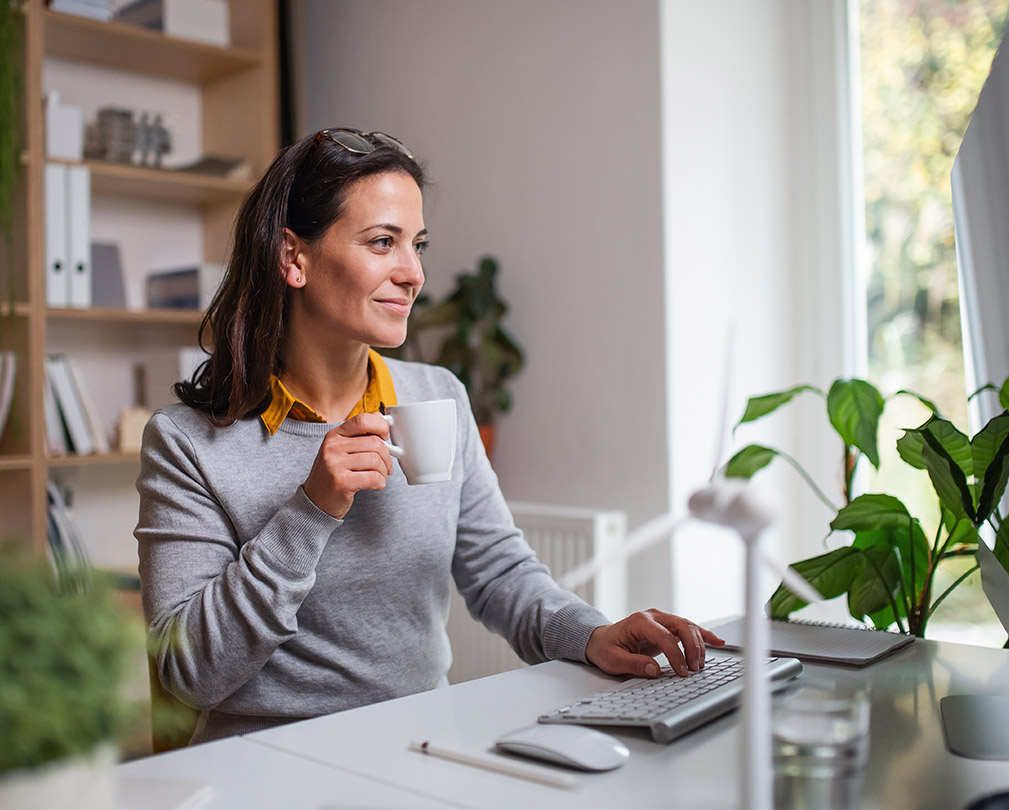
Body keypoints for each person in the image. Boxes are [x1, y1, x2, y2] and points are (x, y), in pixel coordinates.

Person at [136, 128, 723, 745]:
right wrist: (308, 511)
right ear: (293, 258)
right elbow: (188, 673)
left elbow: (499, 574)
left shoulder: (435, 397)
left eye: (416, 245)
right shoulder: (186, 443)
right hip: (270, 763)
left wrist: (591, 634)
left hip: (420, 744)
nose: (413, 273)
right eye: (382, 242)